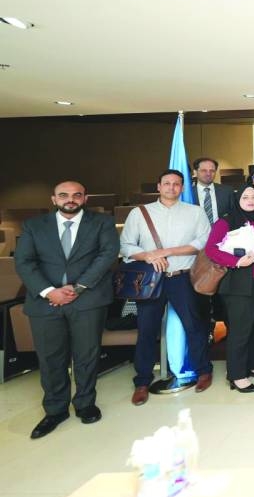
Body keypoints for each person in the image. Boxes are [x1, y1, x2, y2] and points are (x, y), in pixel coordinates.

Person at [14, 181, 118, 439]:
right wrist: (50, 292)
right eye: (63, 195)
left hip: (87, 300)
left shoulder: (101, 222)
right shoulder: (33, 226)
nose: (70, 199)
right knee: (50, 359)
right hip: (45, 302)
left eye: (76, 195)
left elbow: (107, 255)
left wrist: (77, 288)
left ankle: (85, 403)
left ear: (85, 198)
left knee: (87, 355)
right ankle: (55, 410)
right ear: (53, 199)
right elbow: (24, 262)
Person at [120, 169, 213, 406]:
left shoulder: (195, 212)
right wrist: (149, 255)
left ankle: (203, 371)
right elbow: (126, 246)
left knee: (194, 325)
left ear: (183, 188)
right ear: (159, 186)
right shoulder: (139, 213)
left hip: (182, 277)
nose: (172, 188)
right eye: (167, 183)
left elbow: (203, 242)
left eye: (177, 184)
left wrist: (168, 251)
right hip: (151, 279)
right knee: (147, 330)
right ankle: (142, 381)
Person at [204, 185, 254, 393]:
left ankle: (253, 365)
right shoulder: (226, 221)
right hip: (238, 284)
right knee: (240, 331)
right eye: (246, 197)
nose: (251, 200)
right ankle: (236, 374)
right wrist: (237, 261)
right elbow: (211, 249)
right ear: (238, 199)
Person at [190, 157, 236, 224]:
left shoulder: (227, 191)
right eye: (204, 170)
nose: (208, 174)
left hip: (222, 232)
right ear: (195, 172)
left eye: (212, 171)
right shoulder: (188, 194)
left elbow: (234, 215)